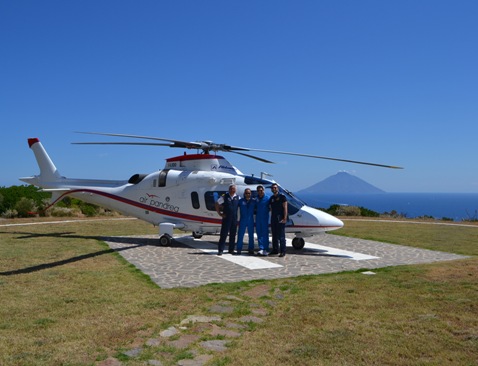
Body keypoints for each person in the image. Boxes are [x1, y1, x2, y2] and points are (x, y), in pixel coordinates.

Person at [215, 184, 239, 255]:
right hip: (226, 218)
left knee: (233, 235)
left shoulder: (238, 198)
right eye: (231, 189)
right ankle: (220, 250)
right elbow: (216, 204)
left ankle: (231, 250)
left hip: (234, 219)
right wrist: (220, 214)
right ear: (229, 190)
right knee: (223, 234)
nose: (232, 190)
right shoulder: (225, 197)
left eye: (233, 189)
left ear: (235, 190)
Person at [269, 183, 288, 257]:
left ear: (277, 188)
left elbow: (285, 207)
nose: (274, 189)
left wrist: (285, 218)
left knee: (281, 235)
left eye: (275, 188)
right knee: (274, 235)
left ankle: (283, 251)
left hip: (280, 217)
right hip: (273, 218)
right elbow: (270, 208)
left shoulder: (282, 197)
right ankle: (275, 249)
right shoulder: (271, 198)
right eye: (273, 188)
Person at [236, 188, 257, 255]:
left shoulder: (254, 201)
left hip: (250, 219)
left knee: (251, 235)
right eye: (246, 193)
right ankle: (239, 249)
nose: (248, 194)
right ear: (244, 194)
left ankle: (251, 249)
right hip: (243, 220)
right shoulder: (241, 201)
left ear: (251, 194)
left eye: (249, 193)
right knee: (240, 234)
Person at [255, 185, 270, 256]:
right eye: (258, 191)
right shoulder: (256, 199)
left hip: (265, 218)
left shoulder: (268, 198)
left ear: (263, 190)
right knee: (259, 233)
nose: (260, 192)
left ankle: (266, 248)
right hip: (258, 218)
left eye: (261, 190)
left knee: (265, 233)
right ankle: (261, 248)